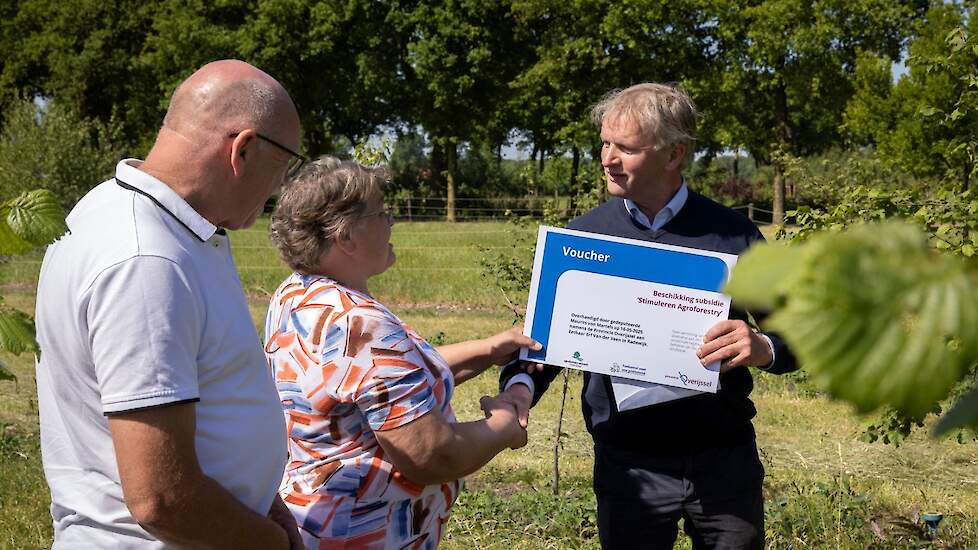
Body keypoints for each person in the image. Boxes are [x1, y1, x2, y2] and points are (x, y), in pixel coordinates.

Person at [499, 83, 798, 549]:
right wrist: (518, 390)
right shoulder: (583, 238)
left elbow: (797, 334)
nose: (607, 158)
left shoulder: (733, 237)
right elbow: (542, 344)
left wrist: (762, 347)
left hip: (723, 462)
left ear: (674, 154)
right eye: (604, 142)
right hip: (627, 465)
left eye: (626, 148)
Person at [35, 60, 305, 548]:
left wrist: (259, 494)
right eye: (285, 165)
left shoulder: (130, 215)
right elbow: (161, 498)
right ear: (242, 149)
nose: (280, 188)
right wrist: (272, 543)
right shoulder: (146, 261)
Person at [264, 156, 539, 549]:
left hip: (314, 520)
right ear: (345, 236)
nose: (392, 222)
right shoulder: (361, 325)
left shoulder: (298, 294)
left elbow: (383, 387)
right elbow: (431, 456)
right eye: (381, 213)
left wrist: (486, 349)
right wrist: (503, 426)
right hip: (362, 535)